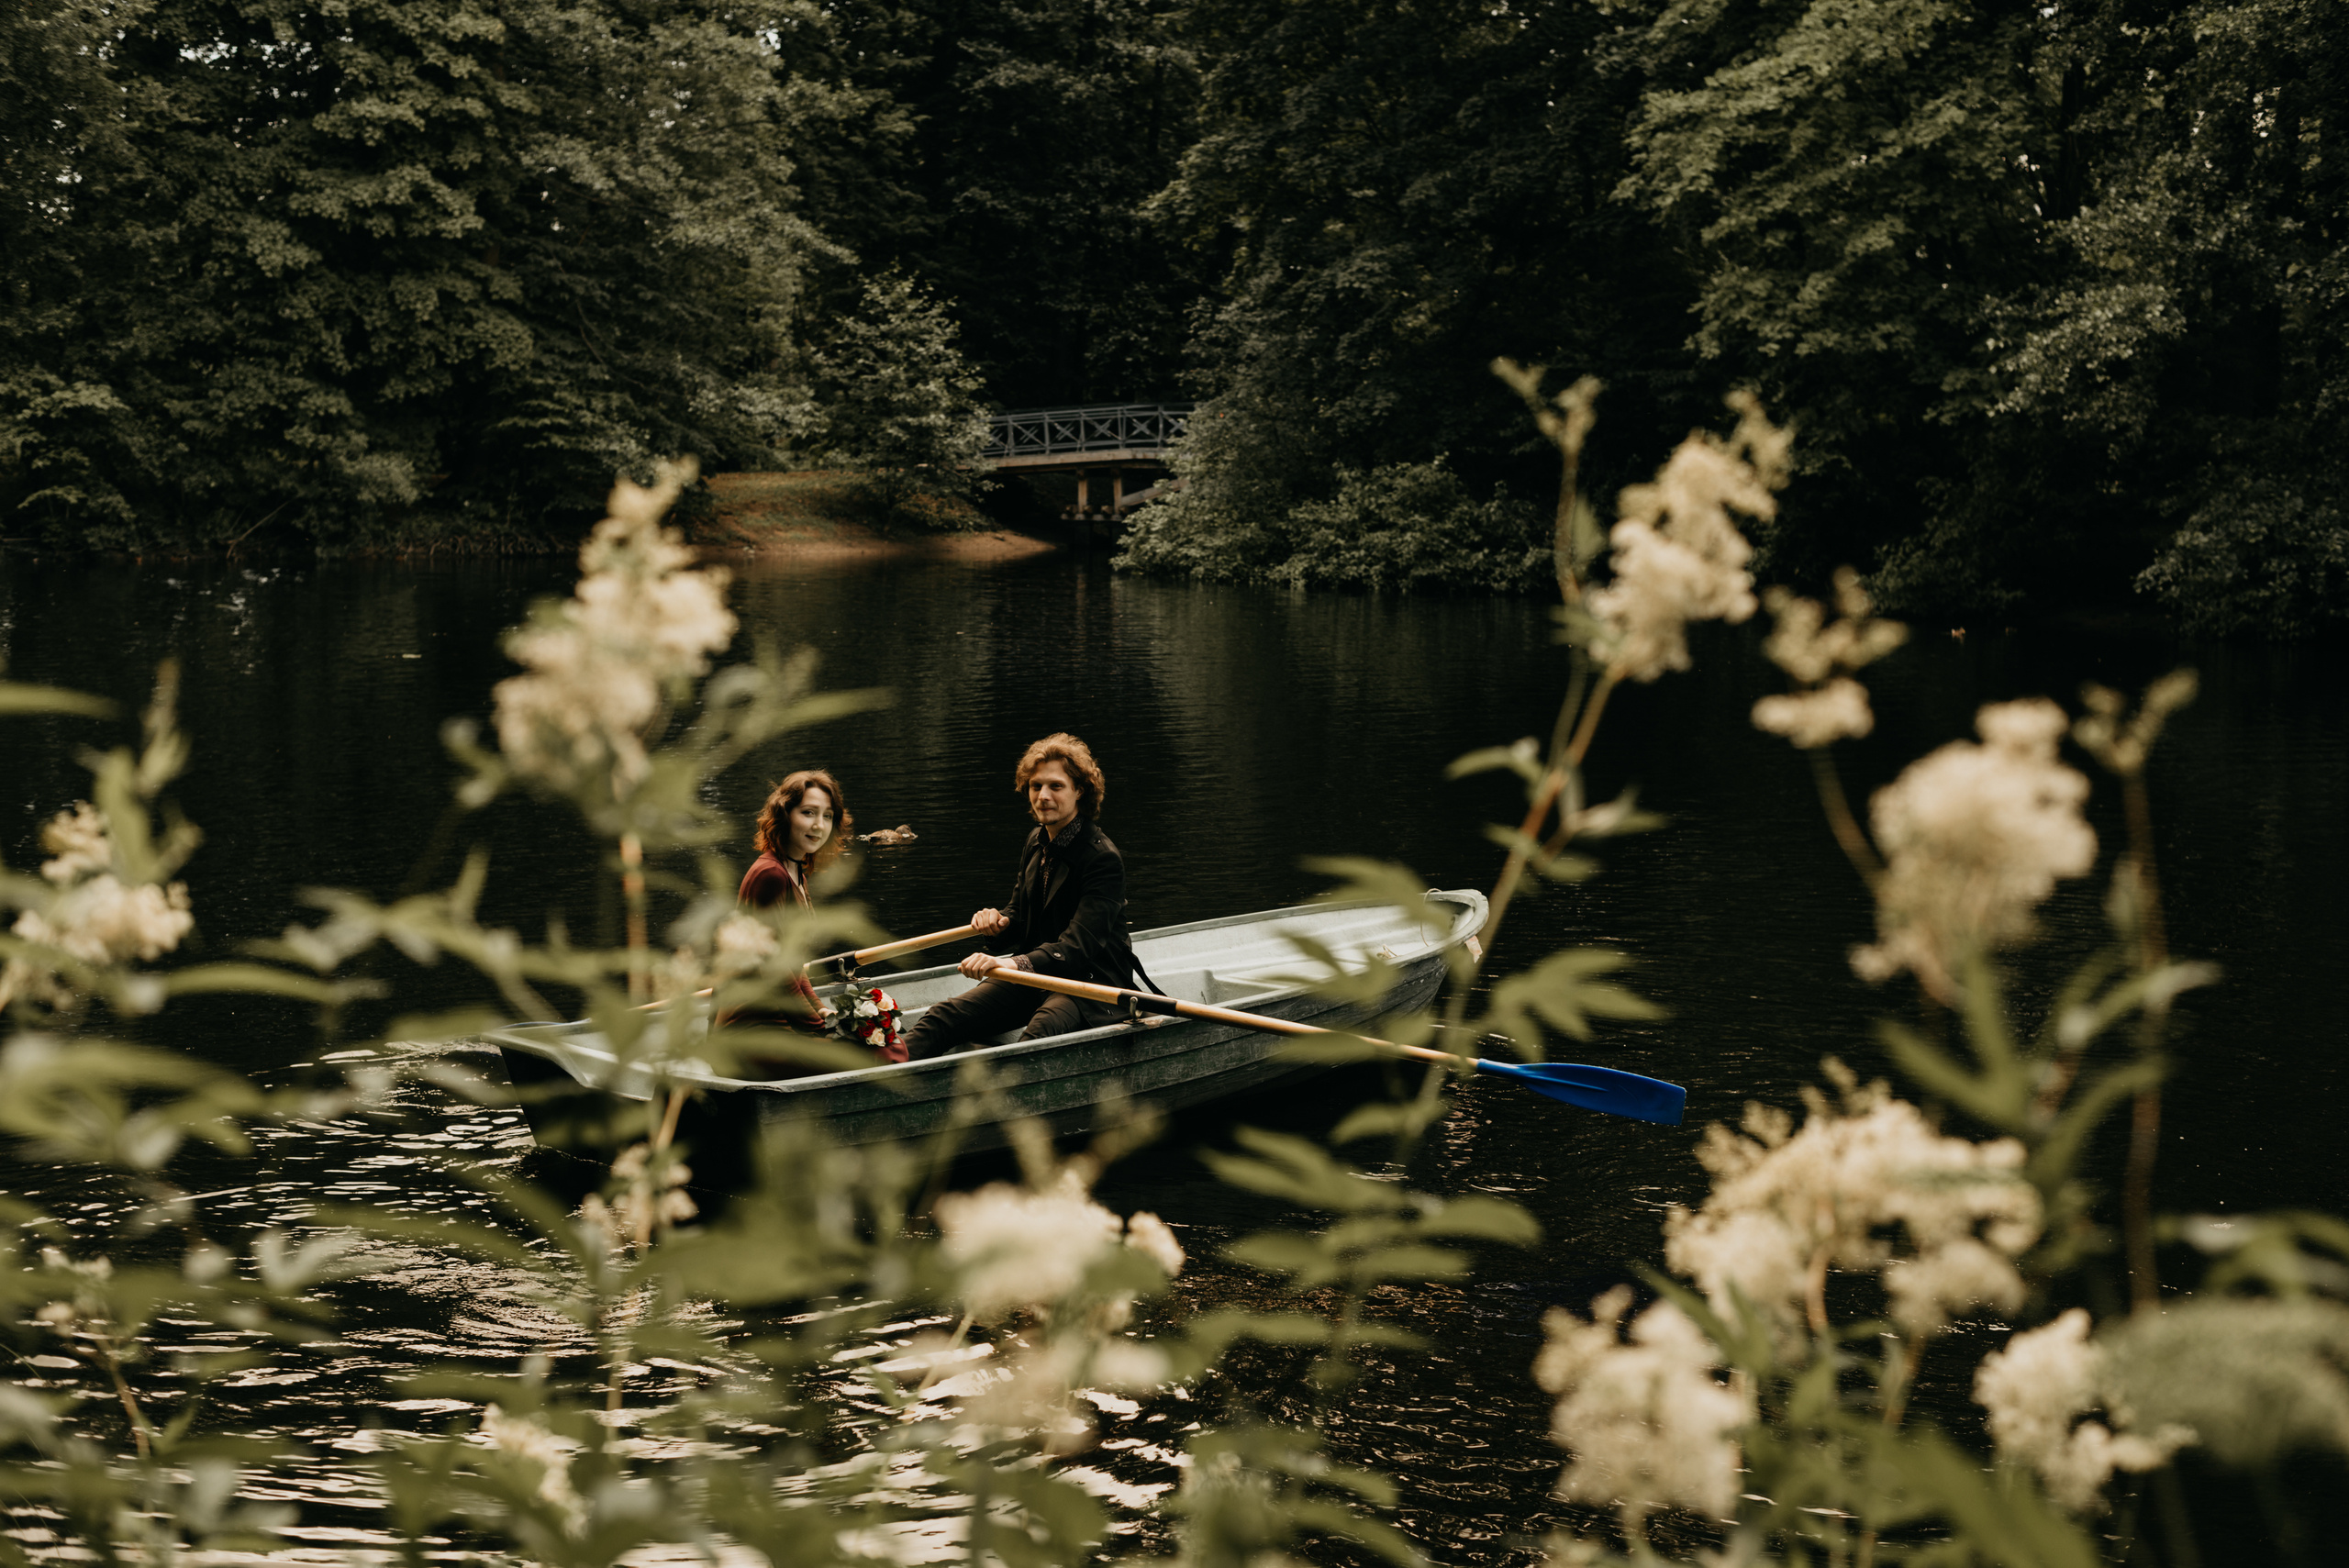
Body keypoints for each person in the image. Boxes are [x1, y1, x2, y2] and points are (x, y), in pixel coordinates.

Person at [902, 733, 1138, 1061]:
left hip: (1090, 984)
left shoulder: (1102, 859)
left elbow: (1078, 947)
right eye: (1035, 786)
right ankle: (870, 1086)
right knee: (943, 1017)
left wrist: (1011, 962)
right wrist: (998, 922)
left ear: (1079, 791)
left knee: (1039, 1034)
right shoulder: (1036, 841)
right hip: (1037, 975)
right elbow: (1020, 915)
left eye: (1056, 786)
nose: (1043, 796)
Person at [734, 768, 910, 1065]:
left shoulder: (795, 871)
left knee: (889, 1047)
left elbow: (793, 965)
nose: (819, 825)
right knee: (884, 1054)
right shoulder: (770, 874)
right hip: (754, 1032)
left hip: (783, 1020)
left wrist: (822, 1011)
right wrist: (821, 1030)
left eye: (827, 816)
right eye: (808, 813)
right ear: (785, 814)